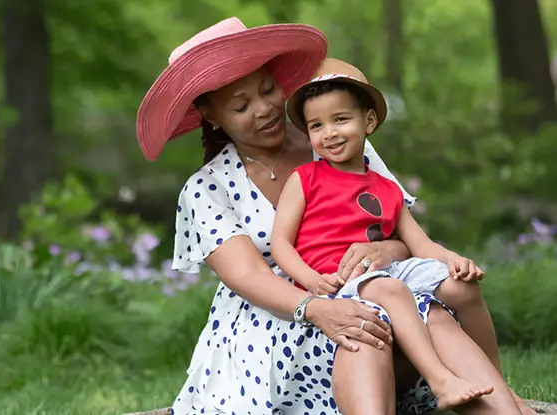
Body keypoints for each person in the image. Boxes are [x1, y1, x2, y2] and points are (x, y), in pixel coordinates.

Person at [136, 17, 528, 415]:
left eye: (268, 89)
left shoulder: (331, 138)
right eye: (240, 106)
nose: (264, 109)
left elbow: (395, 224)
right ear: (212, 116)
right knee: (365, 328)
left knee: (432, 313)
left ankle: (503, 404)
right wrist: (318, 307)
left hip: (368, 286)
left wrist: (387, 250)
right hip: (278, 319)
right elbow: (250, 277)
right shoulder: (207, 189)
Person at [271, 57, 499, 411]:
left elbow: (419, 245)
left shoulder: (387, 189)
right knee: (389, 288)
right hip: (337, 280)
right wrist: (310, 279)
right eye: (316, 126)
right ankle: (441, 381)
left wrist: (455, 261)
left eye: (341, 119)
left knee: (462, 287)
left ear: (369, 121)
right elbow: (280, 244)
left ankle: (497, 385)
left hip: (385, 273)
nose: (329, 133)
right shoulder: (305, 180)